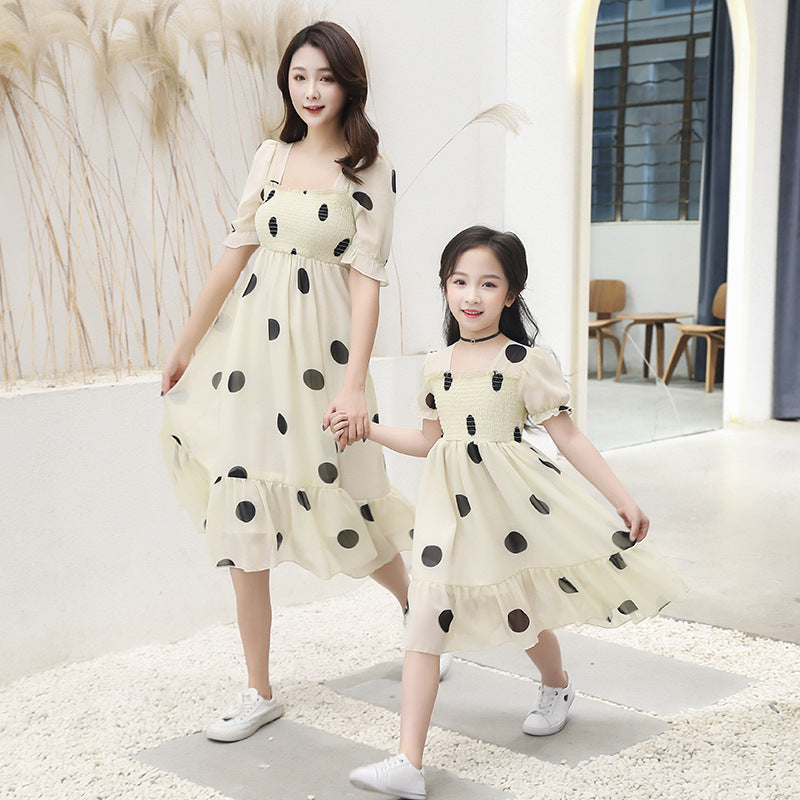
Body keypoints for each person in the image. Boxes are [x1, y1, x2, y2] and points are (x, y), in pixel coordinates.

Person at [339, 226, 688, 799]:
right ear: (446, 288)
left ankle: (557, 685)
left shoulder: (528, 362)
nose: (470, 295)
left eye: (487, 283)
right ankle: (408, 759)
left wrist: (621, 498)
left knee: (520, 609)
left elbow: (569, 438)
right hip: (447, 514)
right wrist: (368, 429)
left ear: (511, 293)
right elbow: (430, 441)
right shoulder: (437, 364)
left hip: (510, 508)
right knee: (424, 616)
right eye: (459, 281)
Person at [160, 21, 418, 742]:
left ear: (348, 85)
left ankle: (421, 614)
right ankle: (257, 688)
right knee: (243, 509)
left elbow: (367, 284)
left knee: (351, 505)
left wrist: (355, 384)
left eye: (326, 78)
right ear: (287, 81)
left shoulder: (372, 167)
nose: (311, 91)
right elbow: (233, 254)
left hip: (324, 361)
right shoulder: (269, 157)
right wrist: (184, 345)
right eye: (300, 76)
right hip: (250, 361)